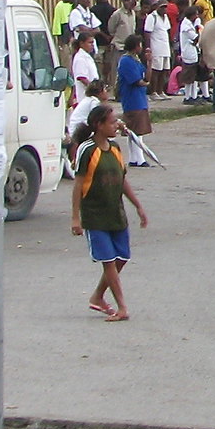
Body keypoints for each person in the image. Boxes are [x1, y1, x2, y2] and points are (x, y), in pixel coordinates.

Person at [69, 106, 148, 322]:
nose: (116, 125)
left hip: (116, 213)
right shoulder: (87, 149)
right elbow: (77, 186)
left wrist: (138, 205)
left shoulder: (114, 148)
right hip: (95, 215)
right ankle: (122, 307)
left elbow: (122, 180)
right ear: (99, 125)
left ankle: (97, 296)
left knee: (122, 257)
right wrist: (76, 218)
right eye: (112, 122)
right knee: (109, 261)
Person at [116, 33, 152, 140]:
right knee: (134, 135)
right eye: (140, 45)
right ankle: (136, 157)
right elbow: (138, 81)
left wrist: (149, 62)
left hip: (141, 100)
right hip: (132, 101)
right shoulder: (126, 61)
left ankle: (137, 157)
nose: (141, 47)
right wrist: (145, 83)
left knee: (139, 135)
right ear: (135, 46)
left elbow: (147, 78)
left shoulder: (136, 60)